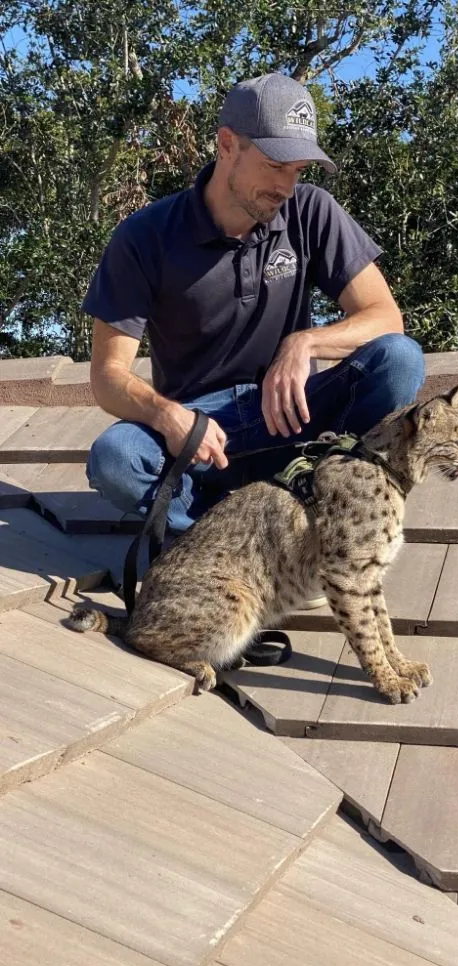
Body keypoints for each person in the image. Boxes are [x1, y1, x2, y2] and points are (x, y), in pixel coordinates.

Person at [83, 72, 425, 607]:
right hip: (202, 437)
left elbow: (385, 317)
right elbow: (107, 378)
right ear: (226, 145)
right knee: (115, 458)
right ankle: (231, 547)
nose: (286, 186)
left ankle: (320, 535)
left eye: (297, 170)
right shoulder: (145, 237)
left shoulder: (311, 211)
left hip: (294, 416)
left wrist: (304, 343)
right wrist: (169, 416)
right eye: (273, 166)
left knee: (399, 363)